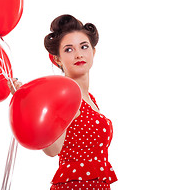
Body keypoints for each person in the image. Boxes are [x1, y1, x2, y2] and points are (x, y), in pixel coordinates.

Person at [8, 14, 117, 190]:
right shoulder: (59, 97)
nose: (78, 54)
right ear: (57, 59)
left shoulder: (91, 98)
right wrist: (28, 103)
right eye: (68, 49)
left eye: (84, 46)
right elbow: (52, 150)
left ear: (93, 52)